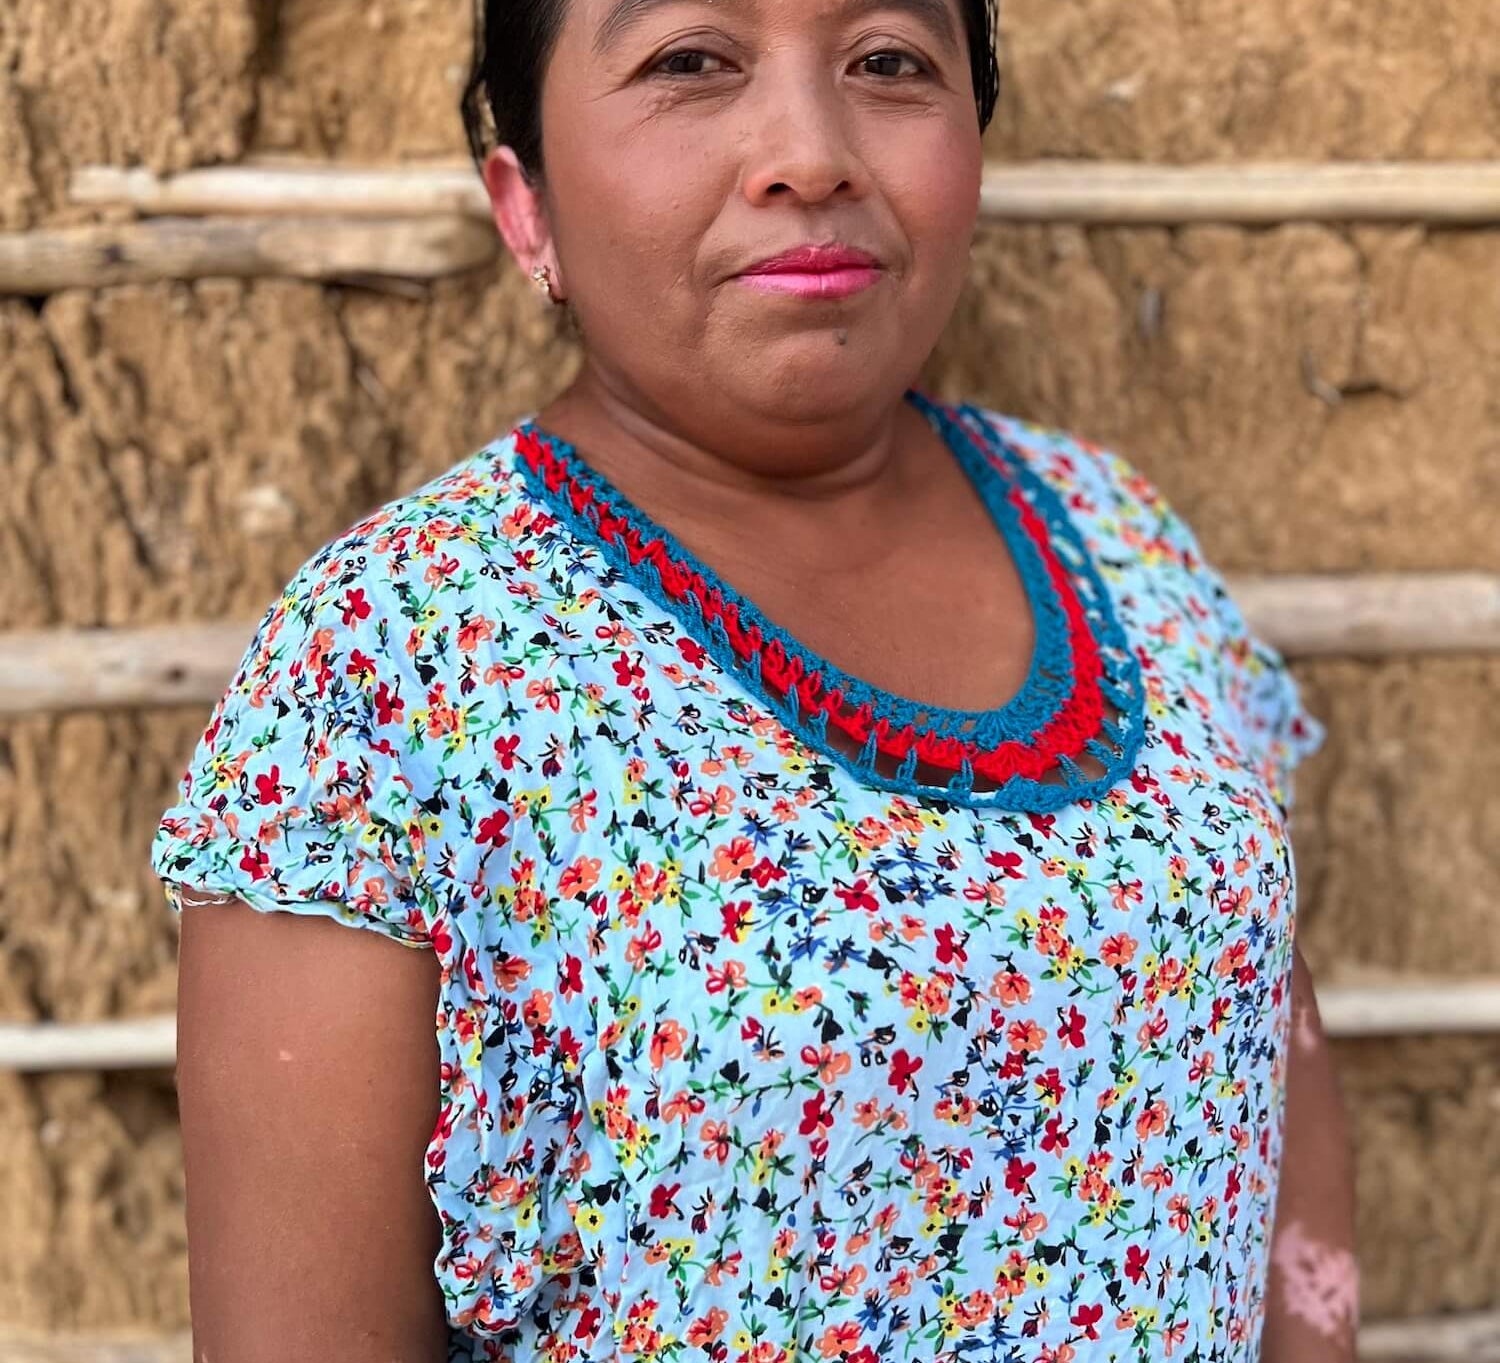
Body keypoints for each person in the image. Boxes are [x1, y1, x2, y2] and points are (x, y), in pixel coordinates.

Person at [149, 0, 1359, 1359]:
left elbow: (1270, 1063)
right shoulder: (391, 658)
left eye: (888, 62)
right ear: (528, 204)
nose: (811, 155)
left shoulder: (1116, 533)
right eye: (690, 61)